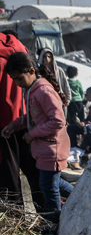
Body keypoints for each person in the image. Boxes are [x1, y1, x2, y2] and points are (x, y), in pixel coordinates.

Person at [1, 53, 71, 223]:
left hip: (52, 148)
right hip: (43, 150)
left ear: (31, 71)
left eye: (19, 79)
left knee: (49, 186)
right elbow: (31, 117)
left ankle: (54, 223)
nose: (17, 83)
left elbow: (58, 121)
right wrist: (14, 125)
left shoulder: (44, 91)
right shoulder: (31, 90)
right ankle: (82, 195)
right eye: (14, 80)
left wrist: (32, 134)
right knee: (52, 183)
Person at [0, 32, 41, 208]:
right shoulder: (17, 45)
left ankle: (16, 222)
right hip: (26, 119)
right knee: (36, 174)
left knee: (8, 179)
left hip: (4, 125)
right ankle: (49, 217)